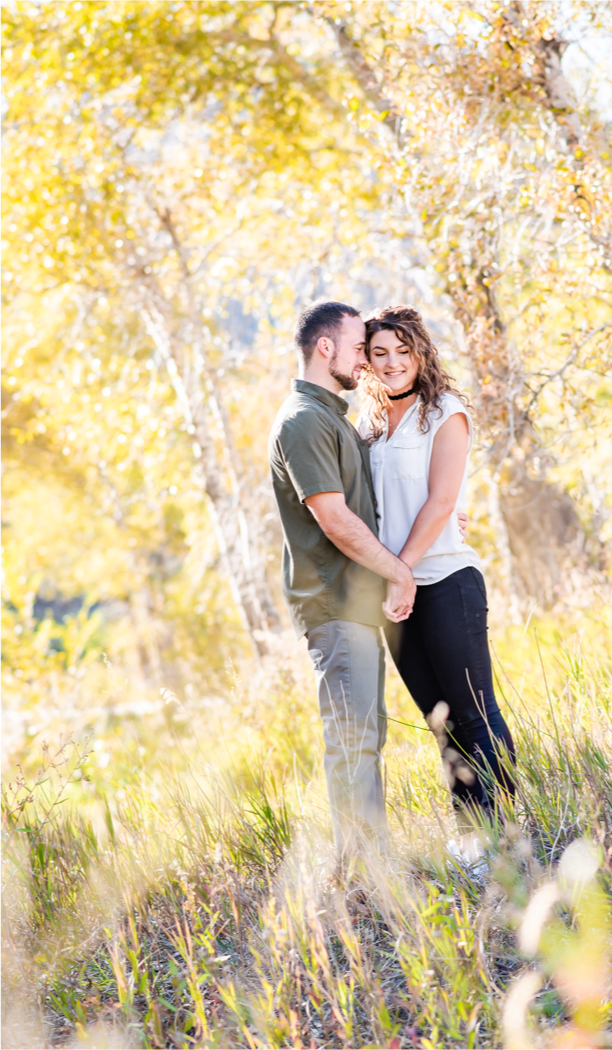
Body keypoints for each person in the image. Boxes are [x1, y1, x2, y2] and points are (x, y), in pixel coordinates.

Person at [355, 305, 517, 865]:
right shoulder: (369, 427)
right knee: (440, 722)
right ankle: (474, 839)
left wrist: (403, 570)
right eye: (380, 353)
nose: (393, 362)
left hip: (445, 580)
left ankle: (504, 837)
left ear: (421, 352)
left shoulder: (443, 412)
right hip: (393, 595)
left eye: (403, 350)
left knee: (474, 713)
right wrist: (390, 578)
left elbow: (442, 499)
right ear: (368, 362)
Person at [268, 301, 415, 863]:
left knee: (364, 738)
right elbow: (334, 518)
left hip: (355, 604)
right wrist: (399, 572)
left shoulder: (332, 419)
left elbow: (363, 506)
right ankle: (364, 875)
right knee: (353, 743)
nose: (366, 361)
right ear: (325, 348)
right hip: (333, 603)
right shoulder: (303, 420)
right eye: (359, 348)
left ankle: (370, 865)